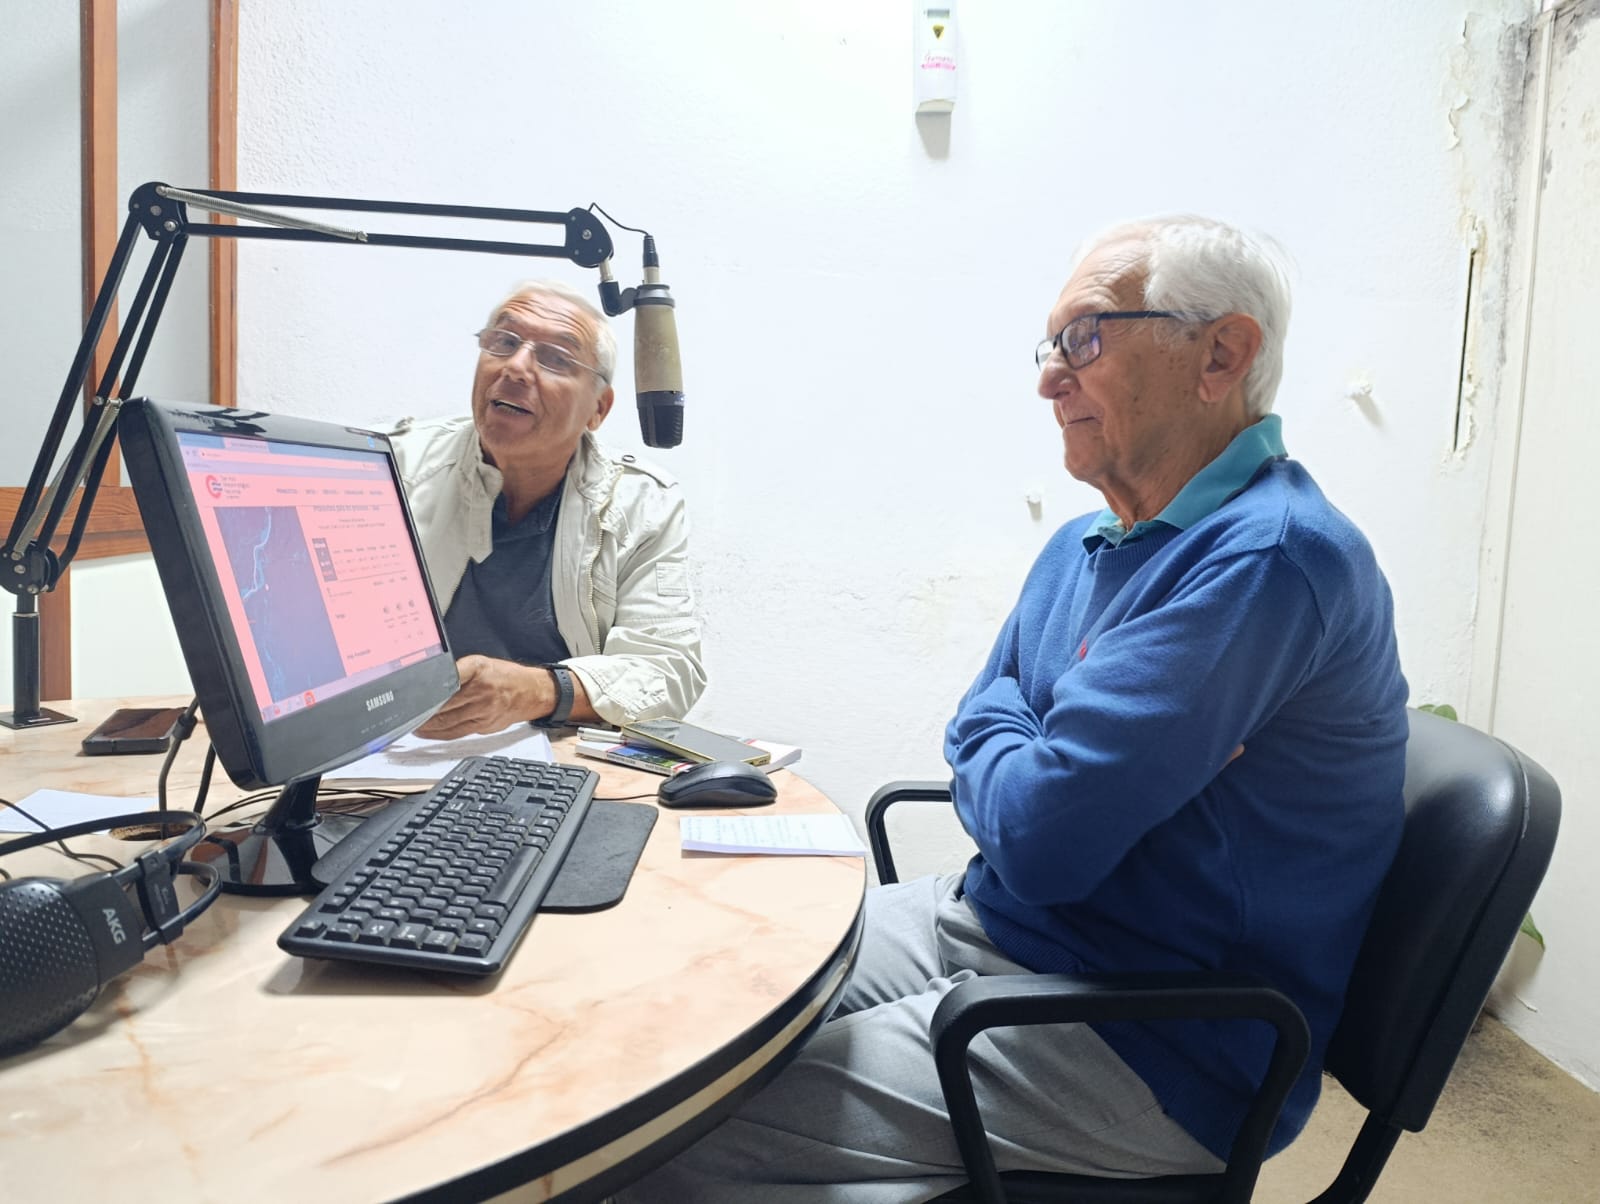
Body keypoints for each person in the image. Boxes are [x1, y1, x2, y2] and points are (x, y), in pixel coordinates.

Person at [618, 215, 1409, 1202]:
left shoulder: (1268, 560)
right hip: (1008, 925)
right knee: (685, 1029)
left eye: (1085, 337)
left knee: (661, 1143)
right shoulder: (1084, 542)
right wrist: (1015, 735)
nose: (1048, 378)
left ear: (1220, 354)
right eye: (1049, 347)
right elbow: (990, 731)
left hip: (1159, 1036)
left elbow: (1042, 835)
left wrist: (1012, 732)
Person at [387, 279, 706, 736]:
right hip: (391, 756)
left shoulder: (643, 504)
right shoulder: (391, 466)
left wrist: (538, 690)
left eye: (556, 358)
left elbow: (670, 671)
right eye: (504, 342)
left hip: (557, 762)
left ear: (598, 409)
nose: (515, 367)